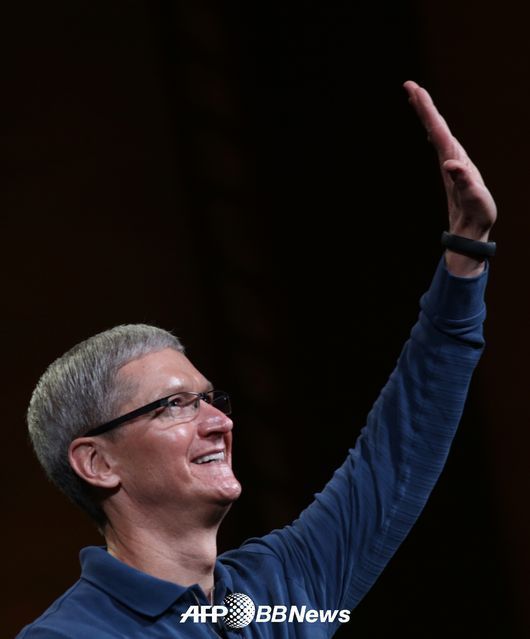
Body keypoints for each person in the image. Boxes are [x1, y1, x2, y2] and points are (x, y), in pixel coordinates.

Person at [17, 80, 497, 638]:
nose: (220, 423)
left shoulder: (278, 589)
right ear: (98, 463)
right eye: (174, 405)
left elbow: (397, 452)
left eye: (209, 400)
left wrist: (467, 250)